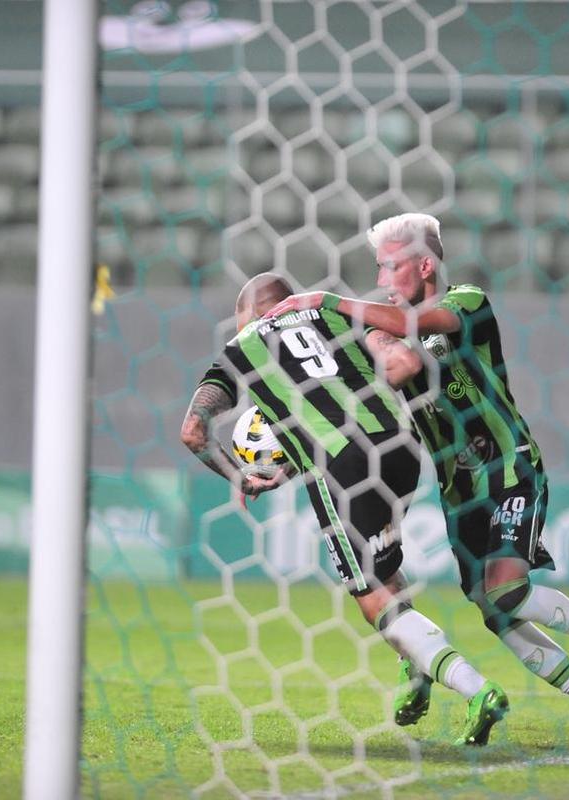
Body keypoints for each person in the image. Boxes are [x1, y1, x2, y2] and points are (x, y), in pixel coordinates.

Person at [262, 213, 569, 747]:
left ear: (424, 264)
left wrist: (329, 304)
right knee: (497, 613)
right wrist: (286, 458)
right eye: (379, 267)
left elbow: (430, 329)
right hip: (458, 489)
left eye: (391, 265)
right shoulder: (385, 324)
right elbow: (374, 383)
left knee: (507, 589)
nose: (383, 277)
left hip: (509, 469)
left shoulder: (467, 301)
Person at [181, 272, 510, 746]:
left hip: (342, 467)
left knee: (370, 595)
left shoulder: (242, 347)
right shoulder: (341, 317)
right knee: (383, 569)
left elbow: (193, 431)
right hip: (398, 450)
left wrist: (239, 476)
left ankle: (476, 689)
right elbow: (401, 361)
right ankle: (414, 666)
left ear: (248, 316)